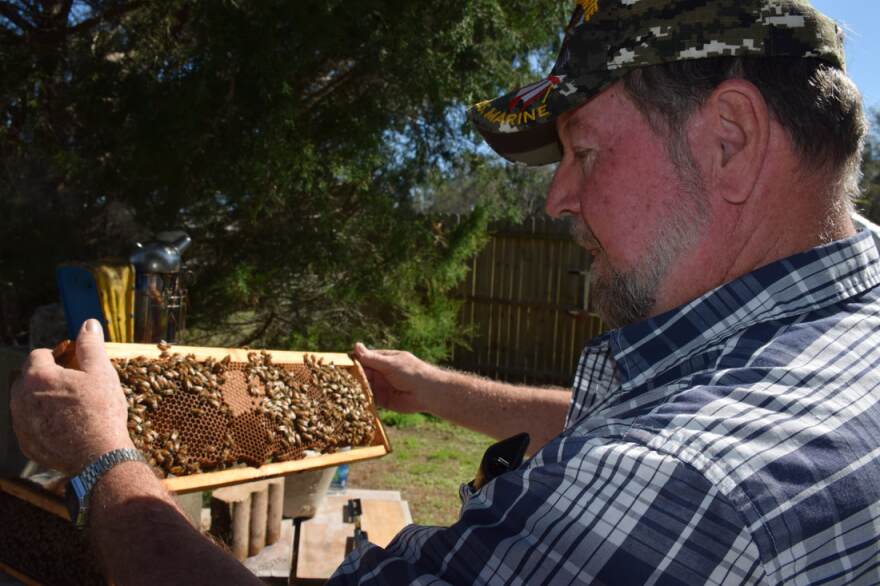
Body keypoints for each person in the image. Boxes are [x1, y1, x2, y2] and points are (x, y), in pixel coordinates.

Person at [11, 0, 880, 583]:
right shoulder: (840, 327)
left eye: (585, 150)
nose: (557, 198)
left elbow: (652, 460)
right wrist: (431, 386)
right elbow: (641, 416)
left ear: (730, 138)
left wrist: (102, 458)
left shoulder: (679, 488)